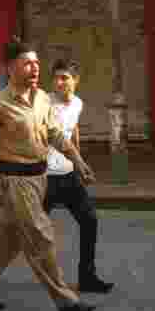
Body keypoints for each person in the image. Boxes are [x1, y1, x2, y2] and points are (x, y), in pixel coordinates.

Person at [0, 37, 97, 311]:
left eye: (37, 63)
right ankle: (65, 301)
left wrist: (78, 161)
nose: (35, 68)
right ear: (10, 68)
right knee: (41, 235)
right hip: (16, 180)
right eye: (27, 63)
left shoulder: (41, 99)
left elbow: (55, 134)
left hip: (39, 179)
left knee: (9, 240)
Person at [44, 59, 113, 294]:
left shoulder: (78, 104)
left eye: (65, 78)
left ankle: (87, 276)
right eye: (56, 78)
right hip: (43, 177)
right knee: (25, 231)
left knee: (89, 220)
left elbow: (73, 132)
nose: (59, 82)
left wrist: (79, 164)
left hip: (67, 174)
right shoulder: (44, 103)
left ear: (76, 81)